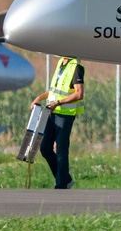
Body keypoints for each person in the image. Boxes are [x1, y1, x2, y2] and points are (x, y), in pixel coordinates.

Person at [30, 55, 84, 189]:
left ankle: (61, 183)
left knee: (61, 148)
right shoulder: (61, 63)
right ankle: (64, 179)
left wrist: (58, 103)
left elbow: (79, 93)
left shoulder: (76, 67)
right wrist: (39, 98)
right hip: (52, 111)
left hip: (65, 114)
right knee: (45, 147)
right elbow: (54, 90)